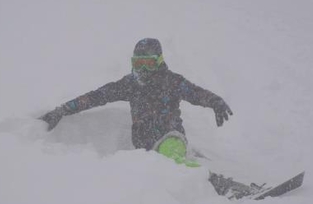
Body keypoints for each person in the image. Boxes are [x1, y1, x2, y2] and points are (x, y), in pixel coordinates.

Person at [39, 38, 232, 166]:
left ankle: (218, 186)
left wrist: (215, 101)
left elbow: (195, 93)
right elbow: (96, 96)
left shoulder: (172, 82)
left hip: (170, 137)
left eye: (147, 64)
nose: (143, 70)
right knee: (163, 170)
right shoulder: (130, 85)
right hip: (144, 149)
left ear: (158, 61)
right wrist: (63, 109)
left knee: (176, 166)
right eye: (138, 64)